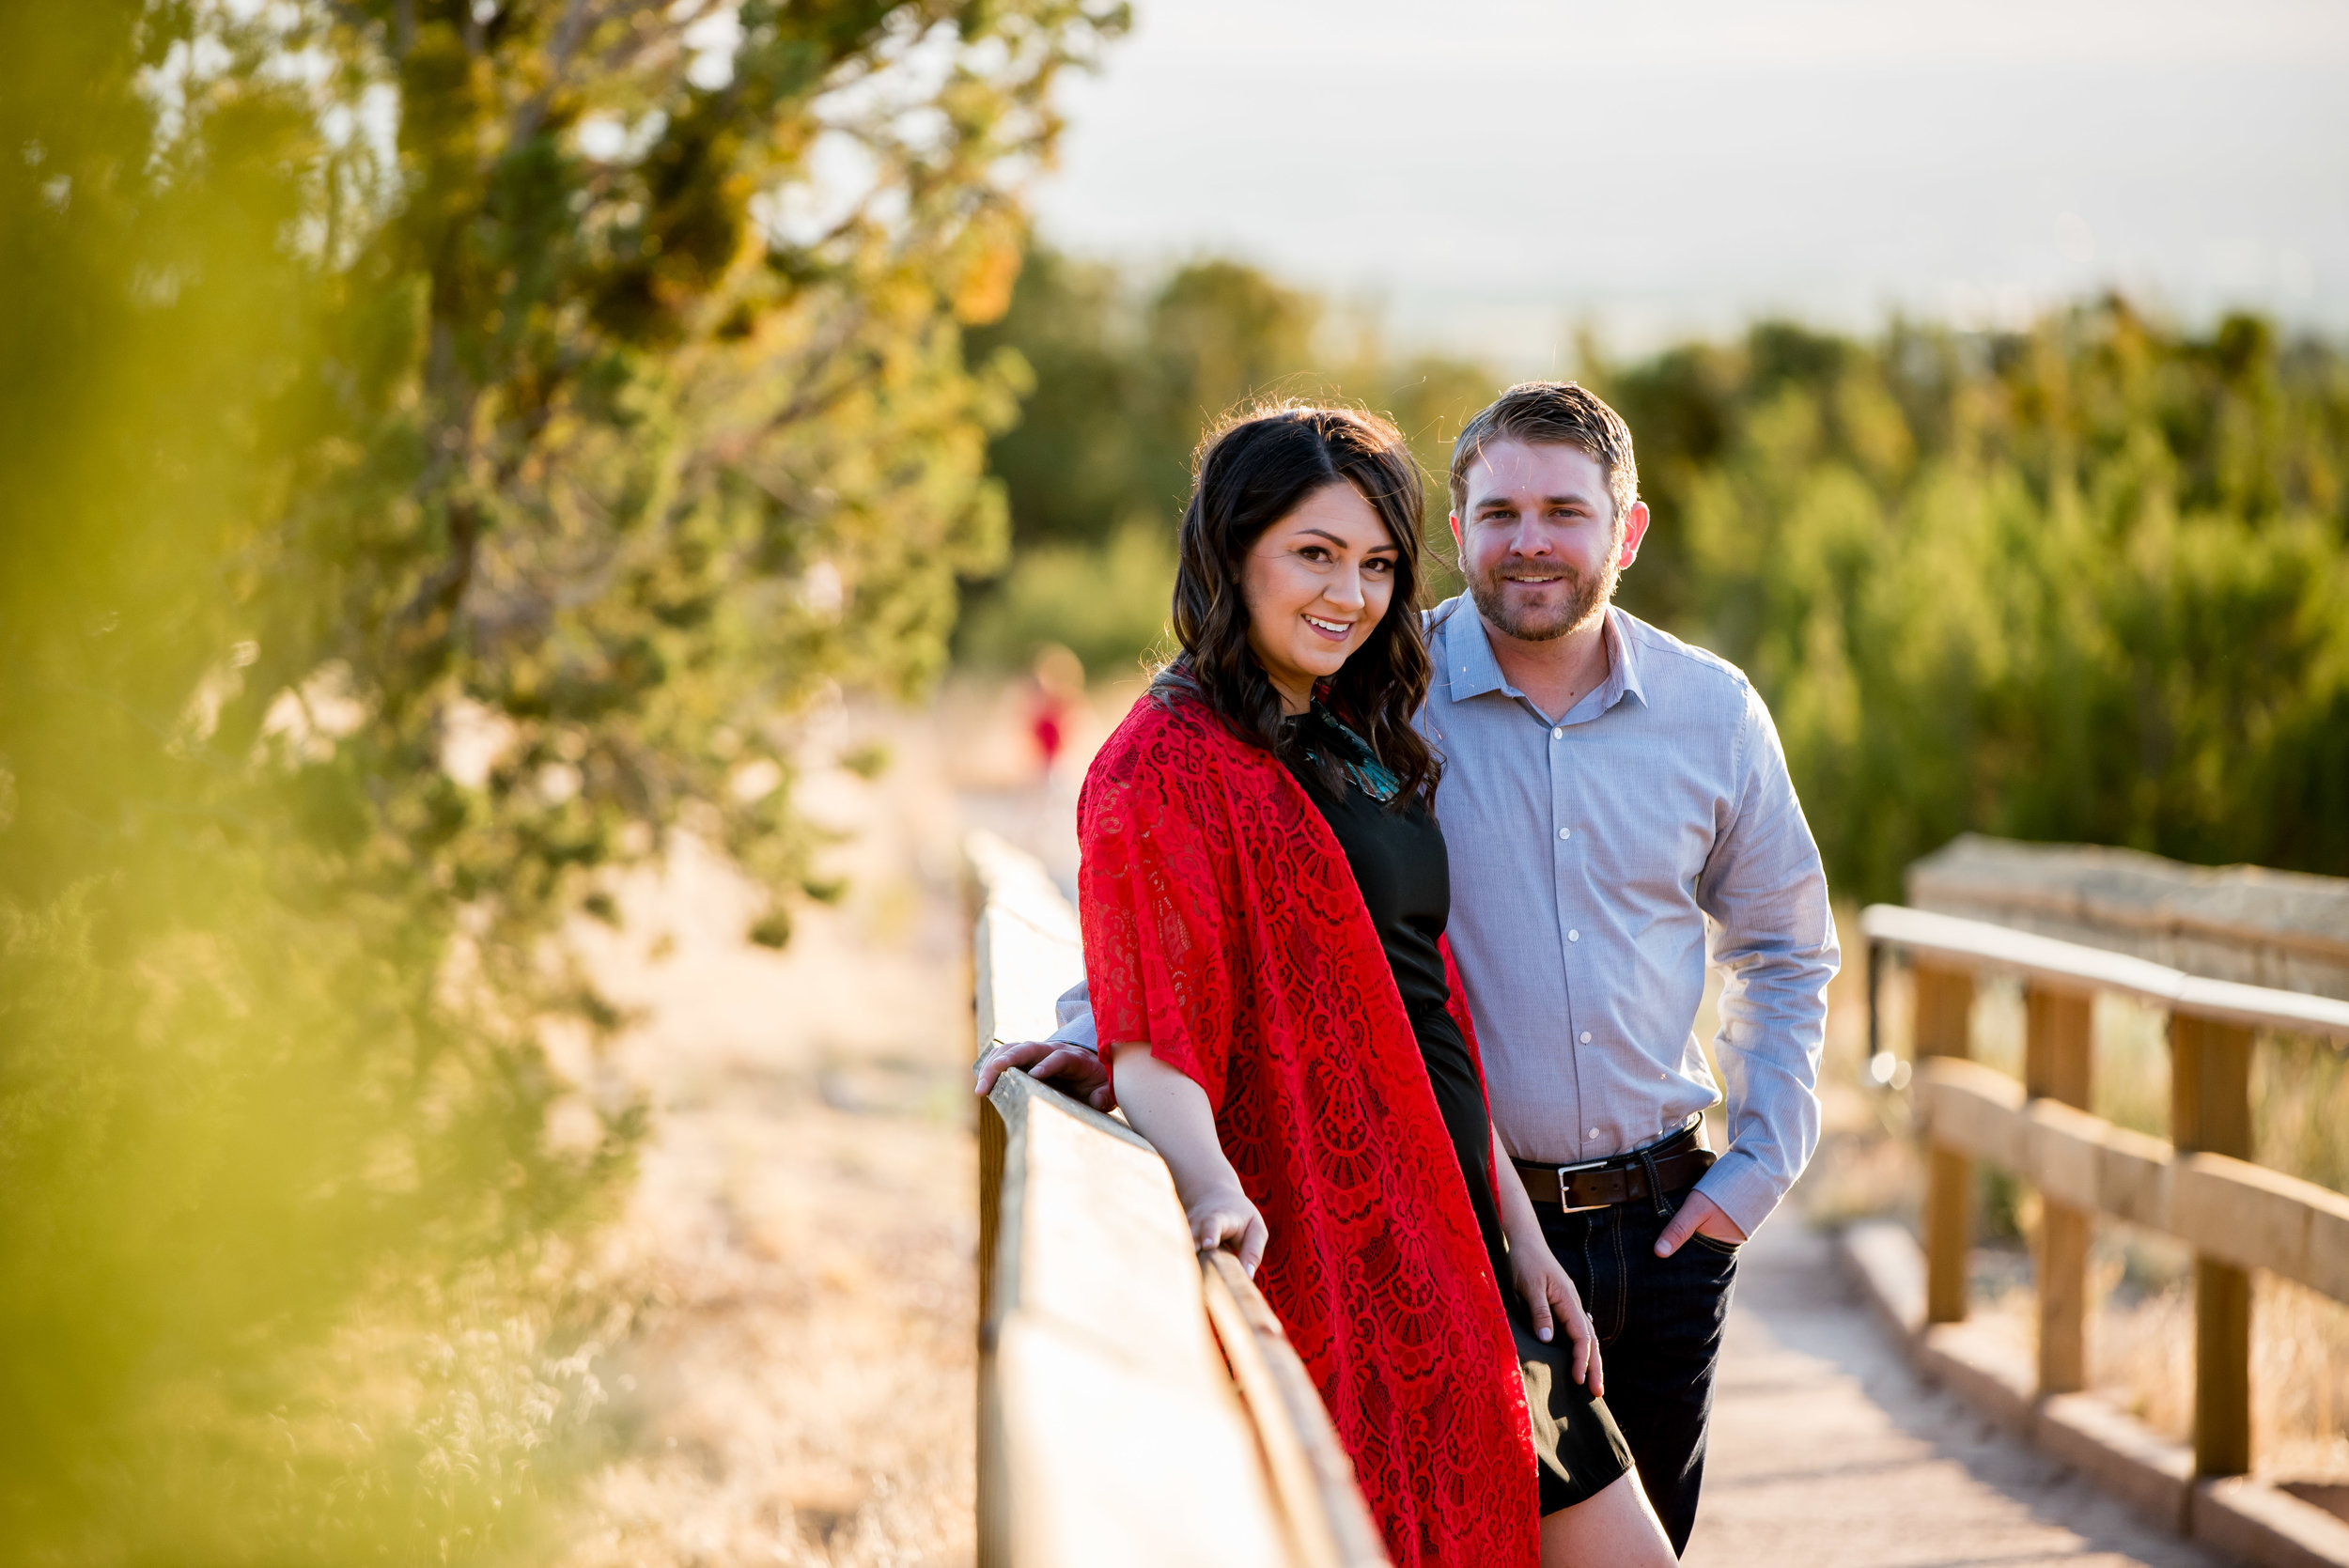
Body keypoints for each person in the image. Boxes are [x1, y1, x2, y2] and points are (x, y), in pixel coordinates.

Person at [978, 381, 1840, 1554]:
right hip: (1399, 1229)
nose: (1348, 591)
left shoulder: (1400, 717)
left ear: (1624, 530)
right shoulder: (1360, 694)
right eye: (1497, 513)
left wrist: (1754, 1167)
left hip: (1635, 1225)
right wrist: (1109, 1038)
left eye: (1375, 563)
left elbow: (1774, 946)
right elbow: (1169, 902)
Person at [1055, 403, 1673, 1568]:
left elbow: (1423, 999)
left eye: (1378, 564)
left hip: (1465, 1240)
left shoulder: (1352, 729)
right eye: (1314, 554)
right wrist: (1206, 1190)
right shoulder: (1160, 767)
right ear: (1229, 549)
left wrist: (1518, 1231)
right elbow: (1157, 1036)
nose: (1349, 593)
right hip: (1351, 1257)